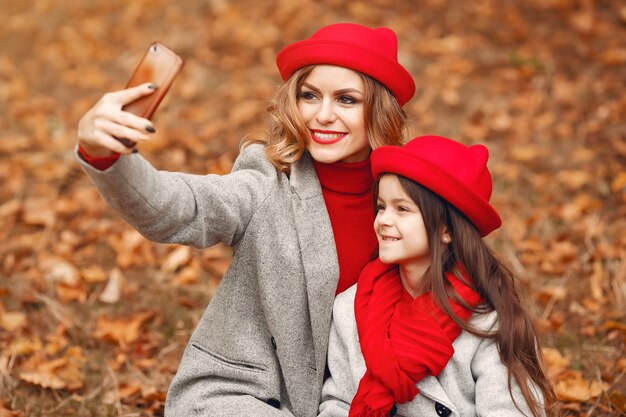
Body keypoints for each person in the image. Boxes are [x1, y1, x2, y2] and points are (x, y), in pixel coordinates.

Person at [75, 23, 415, 417]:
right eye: (310, 95)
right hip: (247, 396)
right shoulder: (267, 181)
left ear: (380, 109)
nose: (323, 115)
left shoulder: (410, 198)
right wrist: (106, 155)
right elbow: (183, 206)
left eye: (346, 100)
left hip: (364, 399)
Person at [318, 135, 557, 417]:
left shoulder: (487, 318)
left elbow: (508, 411)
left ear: (446, 229)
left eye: (402, 209)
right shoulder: (351, 306)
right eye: (381, 206)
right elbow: (338, 404)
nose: (383, 220)